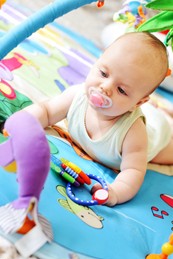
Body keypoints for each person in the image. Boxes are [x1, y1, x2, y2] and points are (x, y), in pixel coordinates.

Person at [24, 31, 172, 207]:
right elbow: (46, 110)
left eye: (121, 90)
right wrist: (25, 122)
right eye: (103, 73)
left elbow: (133, 170)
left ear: (137, 102)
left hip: (158, 133)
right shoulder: (77, 96)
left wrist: (116, 192)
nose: (105, 88)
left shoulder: (133, 133)